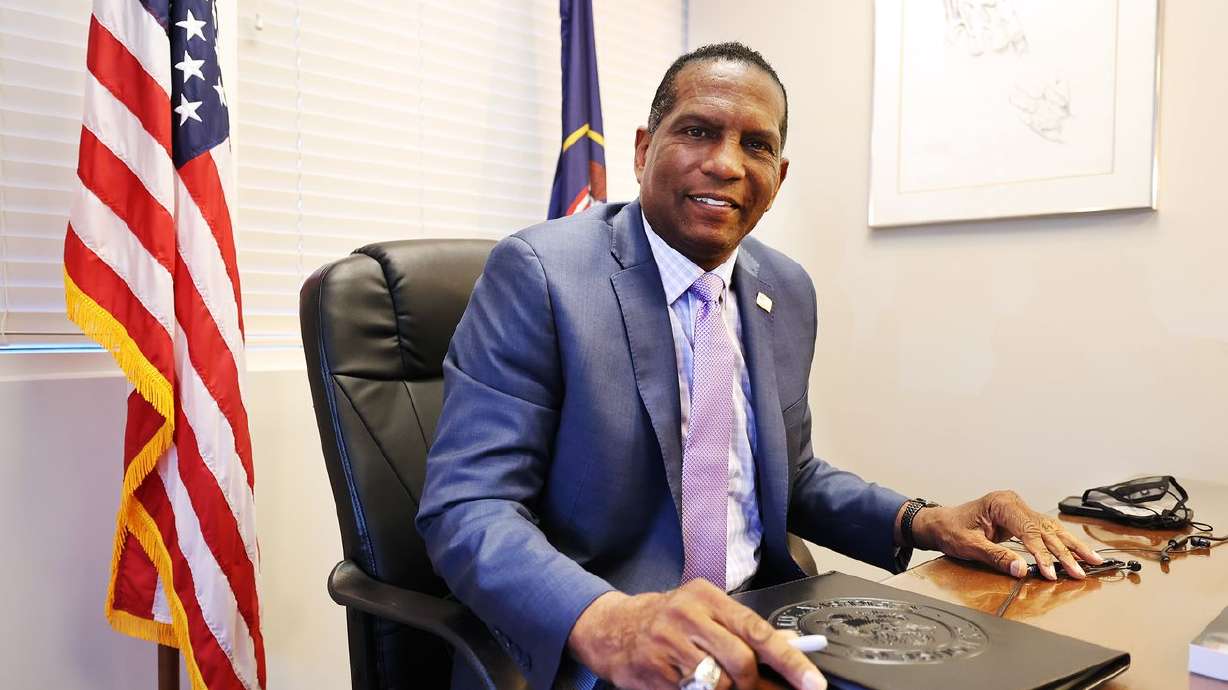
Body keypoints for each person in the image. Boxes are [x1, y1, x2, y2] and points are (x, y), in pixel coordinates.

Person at [416, 42, 1103, 690]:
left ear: (778, 178)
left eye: (757, 145)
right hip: (617, 646)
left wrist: (923, 521)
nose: (726, 163)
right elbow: (470, 506)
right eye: (697, 132)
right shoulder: (541, 274)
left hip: (771, 625)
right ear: (643, 148)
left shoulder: (785, 287)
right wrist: (608, 620)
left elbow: (788, 474)